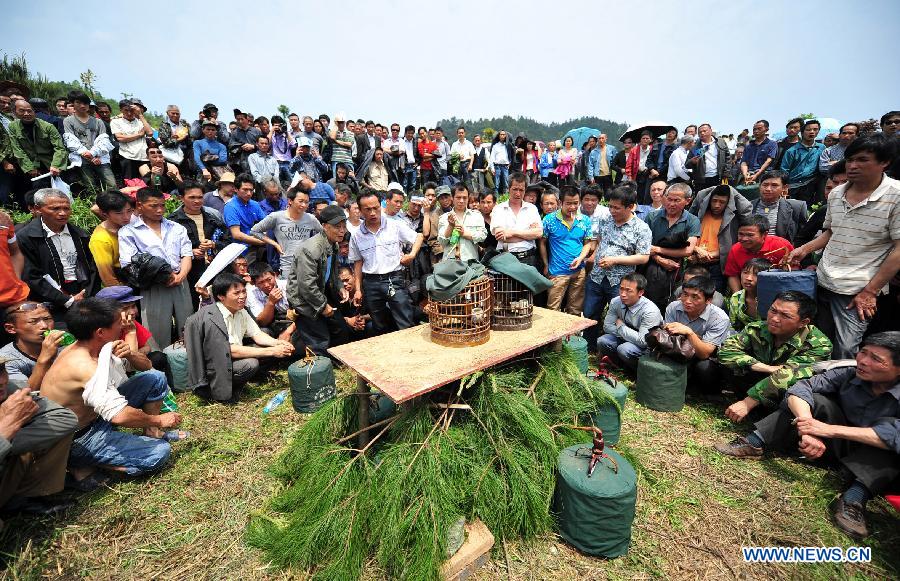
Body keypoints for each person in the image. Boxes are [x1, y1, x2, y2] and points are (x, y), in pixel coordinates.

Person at [714, 331, 900, 540]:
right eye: (863, 352)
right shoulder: (848, 372)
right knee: (815, 400)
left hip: (872, 461)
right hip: (828, 446)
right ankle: (755, 442)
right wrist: (809, 427)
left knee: (891, 435)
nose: (863, 361)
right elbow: (801, 387)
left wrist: (826, 430)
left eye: (876, 359)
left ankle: (855, 497)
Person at [40, 298, 182, 477]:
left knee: (155, 378)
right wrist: (159, 420)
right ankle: (88, 463)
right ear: (100, 332)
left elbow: (147, 366)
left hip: (96, 418)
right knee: (159, 452)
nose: (123, 325)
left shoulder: (98, 346)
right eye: (118, 323)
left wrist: (130, 354)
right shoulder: (84, 365)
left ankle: (150, 433)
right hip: (79, 438)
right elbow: (119, 415)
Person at [787, 133, 900, 359]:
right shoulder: (837, 193)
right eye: (849, 160)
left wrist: (870, 291)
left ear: (884, 162)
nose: (853, 166)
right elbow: (831, 231)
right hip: (824, 279)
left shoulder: (896, 195)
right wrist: (804, 249)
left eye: (862, 160)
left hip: (856, 289)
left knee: (847, 348)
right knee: (818, 340)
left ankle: (843, 390)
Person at [718, 290, 831, 420]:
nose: (775, 318)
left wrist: (748, 402)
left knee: (794, 387)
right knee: (732, 365)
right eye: (773, 310)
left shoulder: (819, 344)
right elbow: (725, 349)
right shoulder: (756, 329)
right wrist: (762, 367)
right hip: (759, 381)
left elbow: (788, 375)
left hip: (787, 395)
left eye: (785, 316)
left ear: (803, 322)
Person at [186, 273, 294, 403]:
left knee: (268, 340)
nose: (242, 296)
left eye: (243, 291)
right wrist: (272, 351)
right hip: (217, 366)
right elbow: (230, 350)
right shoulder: (213, 318)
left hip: (232, 356)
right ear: (221, 297)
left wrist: (279, 343)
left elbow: (257, 334)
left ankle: (254, 378)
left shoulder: (240, 310)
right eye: (236, 293)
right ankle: (227, 390)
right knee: (250, 364)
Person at [0, 356, 78, 513]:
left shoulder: (10, 390)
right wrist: (5, 428)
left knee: (53, 432)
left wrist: (8, 440)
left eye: (1, 370)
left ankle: (22, 499)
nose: (1, 380)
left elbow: (65, 419)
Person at [118, 188, 193, 348]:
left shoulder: (176, 227)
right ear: (140, 205)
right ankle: (158, 366)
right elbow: (129, 263)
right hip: (153, 285)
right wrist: (163, 277)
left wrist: (181, 276)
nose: (159, 210)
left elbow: (187, 254)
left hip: (181, 282)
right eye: (153, 206)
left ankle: (188, 363)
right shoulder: (128, 232)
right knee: (156, 333)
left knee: (187, 327)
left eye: (162, 205)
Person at [583, 185, 652, 349]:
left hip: (621, 282)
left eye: (617, 208)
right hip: (597, 276)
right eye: (610, 206)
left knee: (619, 317)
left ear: (630, 207)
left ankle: (613, 350)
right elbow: (599, 240)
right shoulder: (605, 220)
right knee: (590, 313)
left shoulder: (641, 228)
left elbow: (643, 257)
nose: (612, 211)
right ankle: (588, 348)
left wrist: (615, 260)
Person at [17, 188, 100, 322]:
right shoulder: (26, 237)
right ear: (38, 209)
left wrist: (86, 294)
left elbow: (92, 268)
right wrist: (66, 300)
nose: (62, 213)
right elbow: (31, 275)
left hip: (83, 298)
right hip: (49, 304)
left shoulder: (80, 234)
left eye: (66, 208)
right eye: (55, 209)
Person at [349, 190, 423, 333]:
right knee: (379, 324)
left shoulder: (394, 225)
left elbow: (418, 237)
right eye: (367, 209)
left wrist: (412, 255)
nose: (372, 213)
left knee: (405, 320)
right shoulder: (356, 235)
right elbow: (358, 262)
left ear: (380, 205)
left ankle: (409, 352)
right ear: (360, 211)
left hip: (394, 279)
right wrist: (358, 289)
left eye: (375, 208)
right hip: (371, 283)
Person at [287, 205, 352, 356]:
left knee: (340, 328)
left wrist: (340, 286)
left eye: (344, 226)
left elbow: (333, 272)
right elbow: (306, 286)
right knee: (319, 341)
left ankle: (336, 362)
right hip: (304, 300)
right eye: (337, 227)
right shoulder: (311, 249)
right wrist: (323, 306)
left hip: (320, 293)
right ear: (324, 226)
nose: (342, 230)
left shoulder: (333, 244)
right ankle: (317, 372)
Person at [662, 276, 733, 391]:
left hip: (710, 358)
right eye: (685, 294)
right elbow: (668, 337)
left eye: (695, 297)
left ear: (708, 300)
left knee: (704, 369)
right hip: (681, 350)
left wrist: (689, 333)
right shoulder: (673, 307)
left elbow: (704, 354)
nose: (687, 301)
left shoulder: (719, 318)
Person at [168, 182, 229, 308]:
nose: (197, 201)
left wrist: (213, 244)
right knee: (194, 307)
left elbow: (228, 241)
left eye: (200, 197)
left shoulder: (213, 217)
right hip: (190, 274)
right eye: (192, 197)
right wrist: (189, 253)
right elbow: (167, 249)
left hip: (214, 271)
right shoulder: (173, 221)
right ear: (181, 198)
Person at [643, 182, 701, 309]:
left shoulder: (692, 220)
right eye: (669, 199)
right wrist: (659, 259)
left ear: (688, 201)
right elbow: (643, 245)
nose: (671, 204)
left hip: (677, 269)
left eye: (677, 200)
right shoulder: (652, 217)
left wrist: (658, 249)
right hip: (651, 266)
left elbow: (688, 250)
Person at [539, 185, 593, 315]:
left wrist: (580, 258)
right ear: (560, 203)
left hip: (579, 272)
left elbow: (587, 243)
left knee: (575, 309)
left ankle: (572, 335)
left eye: (576, 203)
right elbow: (542, 242)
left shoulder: (584, 220)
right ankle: (555, 335)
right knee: (553, 310)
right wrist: (546, 264)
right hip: (557, 273)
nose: (572, 207)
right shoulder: (549, 220)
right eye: (568, 203)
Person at [688, 184, 752, 292]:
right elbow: (687, 235)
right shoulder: (700, 214)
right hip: (695, 261)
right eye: (714, 201)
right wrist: (695, 249)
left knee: (714, 297)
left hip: (717, 265)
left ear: (728, 203)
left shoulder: (733, 219)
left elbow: (746, 209)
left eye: (722, 202)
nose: (717, 205)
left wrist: (708, 255)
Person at [250, 187, 322, 281]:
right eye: (300, 201)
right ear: (290, 201)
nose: (304, 205)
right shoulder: (276, 217)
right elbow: (254, 231)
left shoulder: (311, 218)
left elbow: (323, 234)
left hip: (307, 266)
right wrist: (275, 244)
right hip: (287, 267)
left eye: (306, 202)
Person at [598, 273, 663, 370]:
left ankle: (637, 372)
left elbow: (644, 341)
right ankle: (617, 365)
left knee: (625, 349)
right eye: (621, 289)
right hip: (629, 338)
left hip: (649, 347)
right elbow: (607, 326)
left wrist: (621, 327)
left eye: (629, 290)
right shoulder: (616, 302)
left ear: (640, 292)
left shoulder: (650, 311)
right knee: (603, 340)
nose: (623, 294)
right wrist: (631, 336)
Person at [0, 301, 67, 390]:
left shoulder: (63, 345)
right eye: (33, 321)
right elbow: (24, 396)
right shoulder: (6, 359)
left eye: (47, 319)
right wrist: (44, 358)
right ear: (11, 328)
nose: (44, 326)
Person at [6, 99, 67, 191]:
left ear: (34, 111)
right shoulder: (13, 127)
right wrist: (29, 168)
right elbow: (17, 149)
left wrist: (56, 165)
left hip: (49, 164)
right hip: (28, 166)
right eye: (22, 111)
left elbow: (60, 148)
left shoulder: (48, 126)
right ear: (14, 112)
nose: (27, 114)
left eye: (29, 111)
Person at [724, 215, 794, 292]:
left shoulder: (781, 246)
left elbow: (794, 271)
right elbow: (732, 275)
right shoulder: (735, 249)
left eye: (750, 235)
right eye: (741, 234)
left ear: (764, 234)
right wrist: (737, 298)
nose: (744, 239)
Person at [61, 92, 115, 191]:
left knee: (111, 184)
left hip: (100, 157)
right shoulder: (68, 121)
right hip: (82, 158)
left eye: (86, 103)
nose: (83, 106)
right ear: (73, 104)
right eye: (78, 102)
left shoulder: (98, 122)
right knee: (90, 186)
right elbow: (71, 142)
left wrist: (94, 154)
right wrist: (88, 156)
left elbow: (104, 141)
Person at [489, 173, 543, 267]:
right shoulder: (499, 209)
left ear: (525, 190)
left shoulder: (532, 209)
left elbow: (538, 233)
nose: (518, 193)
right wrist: (528, 234)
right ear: (508, 188)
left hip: (529, 258)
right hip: (506, 258)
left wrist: (512, 233)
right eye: (515, 189)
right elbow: (500, 236)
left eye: (521, 190)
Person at [223, 173, 274, 265]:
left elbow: (266, 224)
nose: (249, 193)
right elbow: (236, 234)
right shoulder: (230, 206)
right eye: (245, 190)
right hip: (241, 249)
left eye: (251, 190)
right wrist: (261, 241)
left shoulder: (254, 204)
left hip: (258, 245)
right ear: (236, 189)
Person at [90, 190, 134, 287]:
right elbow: (108, 277)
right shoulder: (101, 239)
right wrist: (124, 297)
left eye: (129, 211)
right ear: (104, 214)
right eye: (119, 213)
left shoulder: (130, 225)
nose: (126, 217)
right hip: (125, 284)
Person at [749, 170, 808, 243]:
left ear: (784, 188)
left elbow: (802, 237)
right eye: (765, 185)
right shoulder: (747, 206)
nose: (768, 189)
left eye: (774, 185)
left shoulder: (797, 207)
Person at [438, 183, 487, 262]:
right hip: (450, 263)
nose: (461, 201)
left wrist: (464, 234)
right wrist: (450, 226)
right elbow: (442, 241)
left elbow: (483, 236)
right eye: (458, 197)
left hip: (471, 262)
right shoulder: (444, 218)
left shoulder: (476, 216)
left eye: (465, 198)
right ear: (452, 198)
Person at [246, 263, 294, 342]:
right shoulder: (252, 294)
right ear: (254, 284)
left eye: (269, 279)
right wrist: (271, 303)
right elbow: (262, 322)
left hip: (294, 323)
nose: (267, 285)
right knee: (262, 332)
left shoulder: (288, 286)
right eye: (261, 282)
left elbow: (303, 314)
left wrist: (288, 332)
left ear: (275, 275)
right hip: (273, 325)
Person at [780, 119, 824, 205]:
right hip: (793, 186)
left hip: (811, 185)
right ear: (802, 132)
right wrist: (784, 186)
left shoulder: (821, 148)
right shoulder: (792, 151)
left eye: (815, 129)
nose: (812, 132)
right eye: (808, 130)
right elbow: (784, 170)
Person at [726, 258, 772, 332]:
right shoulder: (736, 298)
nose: (749, 278)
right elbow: (734, 327)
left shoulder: (773, 300)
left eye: (756, 274)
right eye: (745, 272)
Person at [111, 99, 152, 180]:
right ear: (121, 110)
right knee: (129, 182)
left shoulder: (141, 122)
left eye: (131, 110)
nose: (129, 113)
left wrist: (140, 114)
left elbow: (150, 133)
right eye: (126, 110)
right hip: (127, 156)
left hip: (143, 156)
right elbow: (120, 138)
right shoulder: (116, 122)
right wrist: (139, 134)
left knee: (146, 182)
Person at [687, 123, 730, 192]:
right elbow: (687, 164)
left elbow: (728, 158)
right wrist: (692, 161)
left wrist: (726, 173)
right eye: (700, 132)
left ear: (711, 131)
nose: (702, 133)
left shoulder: (720, 142)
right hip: (702, 181)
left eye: (704, 131)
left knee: (717, 199)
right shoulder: (695, 147)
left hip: (718, 178)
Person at [740, 120, 778, 185]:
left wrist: (757, 174)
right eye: (754, 129)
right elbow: (744, 162)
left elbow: (768, 161)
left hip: (765, 176)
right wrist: (745, 174)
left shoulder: (772, 144)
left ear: (766, 129)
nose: (756, 131)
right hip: (749, 175)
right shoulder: (748, 146)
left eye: (759, 129)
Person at [227, 109, 261, 174]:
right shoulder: (234, 133)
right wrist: (240, 147)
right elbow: (231, 147)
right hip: (240, 164)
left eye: (242, 119)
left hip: (256, 162)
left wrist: (253, 146)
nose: (240, 121)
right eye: (238, 119)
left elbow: (264, 146)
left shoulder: (256, 132)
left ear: (247, 119)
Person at [625, 131, 654, 202]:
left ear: (651, 140)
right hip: (637, 174)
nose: (645, 140)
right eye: (643, 138)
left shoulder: (653, 149)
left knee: (647, 194)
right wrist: (629, 176)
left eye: (647, 138)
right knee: (637, 193)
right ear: (640, 139)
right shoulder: (634, 150)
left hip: (648, 174)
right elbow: (629, 164)